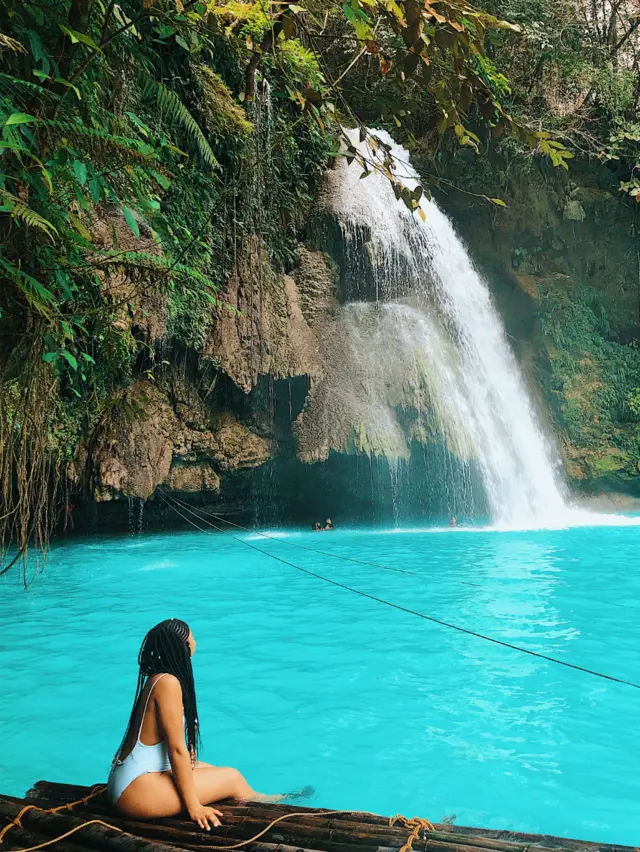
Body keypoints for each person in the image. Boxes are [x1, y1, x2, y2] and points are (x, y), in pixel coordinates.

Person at [107, 619, 277, 829]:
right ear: (184, 646)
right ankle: (271, 806)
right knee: (232, 777)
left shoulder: (157, 679)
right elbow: (176, 750)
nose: (196, 641)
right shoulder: (168, 683)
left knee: (211, 769)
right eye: (193, 637)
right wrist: (195, 807)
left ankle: (259, 798)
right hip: (135, 792)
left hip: (128, 781)